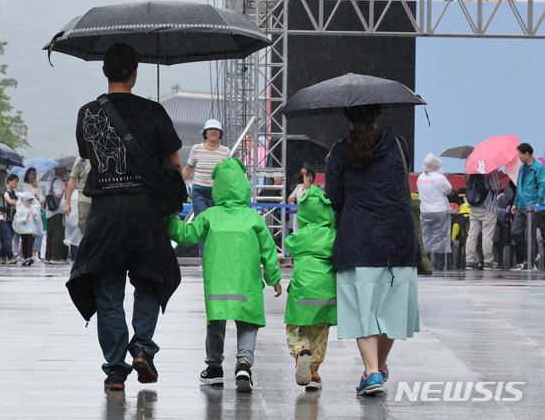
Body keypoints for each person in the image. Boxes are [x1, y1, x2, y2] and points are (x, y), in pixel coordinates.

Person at [66, 43, 183, 391]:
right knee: (148, 280)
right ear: (136, 72)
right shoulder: (155, 111)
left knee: (108, 289)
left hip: (107, 213)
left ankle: (116, 369)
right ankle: (142, 348)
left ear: (104, 71)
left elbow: (88, 157)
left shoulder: (88, 113)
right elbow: (175, 166)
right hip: (146, 212)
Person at [325, 104, 420, 396]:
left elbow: (334, 196)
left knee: (362, 309)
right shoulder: (398, 143)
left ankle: (372, 372)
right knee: (392, 307)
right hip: (398, 238)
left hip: (358, 237)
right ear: (379, 114)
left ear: (348, 118)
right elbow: (403, 184)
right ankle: (378, 367)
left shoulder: (339, 151)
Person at [167, 158, 282, 393]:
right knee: (248, 323)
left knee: (215, 324)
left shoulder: (210, 215)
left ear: (217, 187)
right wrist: (274, 279)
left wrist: (170, 217)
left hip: (217, 284)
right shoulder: (253, 218)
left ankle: (214, 369)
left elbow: (186, 234)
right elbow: (269, 251)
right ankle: (243, 364)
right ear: (243, 185)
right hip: (247, 284)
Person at [283, 185, 337, 390]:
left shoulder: (299, 237)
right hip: (326, 294)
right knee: (321, 332)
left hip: (302, 293)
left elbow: (288, 244)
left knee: (295, 328)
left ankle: (300, 350)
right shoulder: (333, 236)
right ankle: (313, 371)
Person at [181, 119, 229, 255]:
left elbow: (228, 174)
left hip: (218, 194)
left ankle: (216, 256)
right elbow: (187, 169)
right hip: (199, 193)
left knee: (216, 226)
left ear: (220, 134)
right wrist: (176, 186)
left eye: (216, 130)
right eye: (210, 129)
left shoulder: (225, 152)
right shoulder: (196, 149)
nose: (213, 132)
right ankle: (205, 259)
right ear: (205, 133)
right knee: (203, 225)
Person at [510, 143, 545, 270]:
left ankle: (531, 263)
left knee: (528, 235)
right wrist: (515, 203)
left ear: (527, 154)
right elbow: (519, 187)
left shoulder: (538, 167)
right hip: (521, 206)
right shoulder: (522, 168)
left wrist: (539, 203)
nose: (518, 157)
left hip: (532, 206)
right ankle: (529, 256)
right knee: (515, 232)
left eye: (520, 154)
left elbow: (542, 185)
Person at [416, 153, 452, 270]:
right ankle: (438, 264)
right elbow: (448, 190)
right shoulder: (440, 178)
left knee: (425, 236)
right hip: (440, 210)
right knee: (440, 237)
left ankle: (425, 263)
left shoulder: (420, 177)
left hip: (424, 211)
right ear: (435, 166)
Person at [465, 171, 501, 270]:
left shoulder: (473, 168)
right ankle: (488, 262)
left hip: (473, 206)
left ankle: (469, 261)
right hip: (488, 207)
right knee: (487, 236)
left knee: (472, 234)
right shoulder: (491, 170)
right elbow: (495, 187)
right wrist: (500, 179)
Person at [19, 167, 45, 261]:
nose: (34, 176)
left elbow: (42, 199)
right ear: (28, 175)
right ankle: (27, 254)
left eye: (35, 174)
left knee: (40, 233)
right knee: (29, 234)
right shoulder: (24, 185)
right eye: (32, 174)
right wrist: (34, 192)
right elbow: (28, 197)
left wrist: (36, 190)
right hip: (29, 211)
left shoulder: (37, 186)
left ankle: (35, 252)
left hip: (37, 210)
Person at [44, 166, 67, 264]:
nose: (66, 173)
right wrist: (66, 190)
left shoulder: (50, 180)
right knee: (57, 234)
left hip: (49, 211)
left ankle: (48, 257)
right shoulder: (58, 181)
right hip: (57, 211)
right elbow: (57, 195)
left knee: (50, 234)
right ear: (60, 171)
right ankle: (55, 257)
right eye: (65, 171)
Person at [0, 174, 19, 264]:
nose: (16, 183)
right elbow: (9, 201)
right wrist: (20, 203)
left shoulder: (14, 192)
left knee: (7, 238)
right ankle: (10, 257)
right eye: (15, 181)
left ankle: (0, 256)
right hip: (3, 218)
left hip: (11, 219)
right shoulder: (4, 191)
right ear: (9, 181)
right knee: (7, 238)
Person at [64, 157, 91, 234]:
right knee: (84, 226)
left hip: (100, 200)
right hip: (84, 200)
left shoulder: (102, 157)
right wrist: (67, 203)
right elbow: (72, 181)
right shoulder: (81, 160)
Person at [12, 192, 40, 267]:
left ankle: (29, 257)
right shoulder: (20, 209)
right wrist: (25, 218)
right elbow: (17, 220)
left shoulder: (34, 208)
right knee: (24, 243)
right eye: (28, 200)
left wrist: (35, 215)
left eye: (30, 200)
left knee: (30, 243)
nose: (29, 202)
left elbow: (37, 219)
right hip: (23, 230)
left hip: (31, 230)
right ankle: (25, 257)